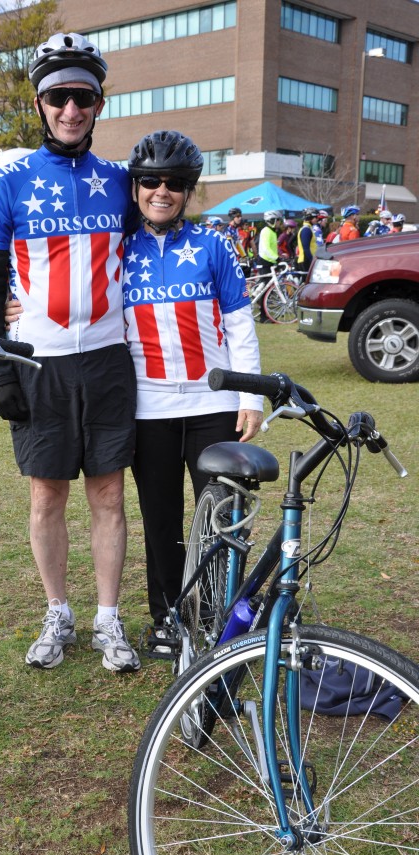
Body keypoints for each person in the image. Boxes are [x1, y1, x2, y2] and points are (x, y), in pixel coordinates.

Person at [0, 32, 140, 673]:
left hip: (105, 360)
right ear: (40, 104)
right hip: (38, 363)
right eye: (57, 97)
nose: (71, 109)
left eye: (83, 97)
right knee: (46, 498)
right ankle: (57, 612)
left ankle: (106, 619)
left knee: (107, 496)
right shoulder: (11, 181)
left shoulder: (122, 183)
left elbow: (152, 251)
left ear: (99, 103)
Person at [124, 131, 263, 641]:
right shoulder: (117, 249)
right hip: (148, 408)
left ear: (188, 190)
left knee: (222, 520)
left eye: (176, 183)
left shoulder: (214, 245)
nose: (163, 191)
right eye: (151, 181)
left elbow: (241, 325)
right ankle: (167, 616)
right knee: (160, 522)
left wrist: (250, 398)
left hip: (214, 405)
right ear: (136, 186)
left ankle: (219, 614)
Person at [256, 209, 283, 321]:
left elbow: (273, 248)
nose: (279, 223)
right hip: (265, 262)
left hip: (270, 262)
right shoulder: (266, 231)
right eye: (278, 221)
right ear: (272, 220)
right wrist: (277, 258)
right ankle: (263, 316)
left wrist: (278, 258)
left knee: (268, 288)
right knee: (265, 289)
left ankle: (265, 313)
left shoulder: (272, 232)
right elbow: (266, 249)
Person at [296, 208, 318, 273]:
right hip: (306, 260)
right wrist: (312, 260)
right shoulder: (306, 230)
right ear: (309, 218)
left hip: (308, 259)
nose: (317, 219)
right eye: (315, 217)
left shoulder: (308, 228)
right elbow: (306, 248)